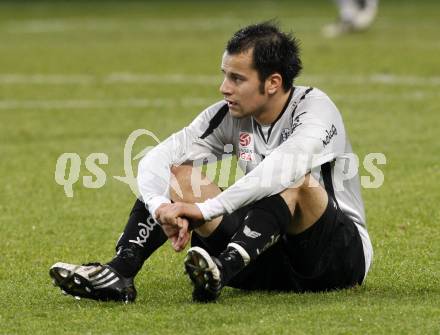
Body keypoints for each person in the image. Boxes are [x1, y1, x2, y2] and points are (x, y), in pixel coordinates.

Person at [50, 22, 372, 303]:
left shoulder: (315, 110)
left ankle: (223, 266)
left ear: (273, 82)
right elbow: (157, 158)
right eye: (224, 75)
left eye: (237, 78)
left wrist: (205, 211)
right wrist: (160, 205)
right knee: (180, 176)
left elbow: (280, 172)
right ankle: (120, 271)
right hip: (263, 255)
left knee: (297, 181)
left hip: (335, 263)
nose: (224, 88)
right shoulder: (228, 115)